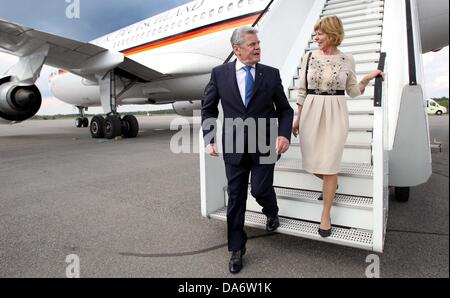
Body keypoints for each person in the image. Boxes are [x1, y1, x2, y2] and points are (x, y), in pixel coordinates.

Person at [202, 26, 294, 274]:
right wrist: (209, 137)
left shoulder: (271, 75)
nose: (258, 48)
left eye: (258, 43)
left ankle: (271, 211)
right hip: (233, 145)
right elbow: (209, 108)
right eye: (252, 45)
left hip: (264, 142)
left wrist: (284, 134)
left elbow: (285, 110)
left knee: (262, 189)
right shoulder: (219, 74)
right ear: (237, 49)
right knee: (236, 197)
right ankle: (236, 248)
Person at [292, 16, 384, 238]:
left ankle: (325, 215)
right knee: (312, 163)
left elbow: (353, 91)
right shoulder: (308, 57)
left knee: (330, 165)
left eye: (320, 33)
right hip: (311, 110)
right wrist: (297, 117)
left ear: (332, 34)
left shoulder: (347, 59)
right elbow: (302, 90)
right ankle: (331, 185)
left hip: (336, 112)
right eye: (316, 33)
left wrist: (366, 79)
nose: (316, 37)